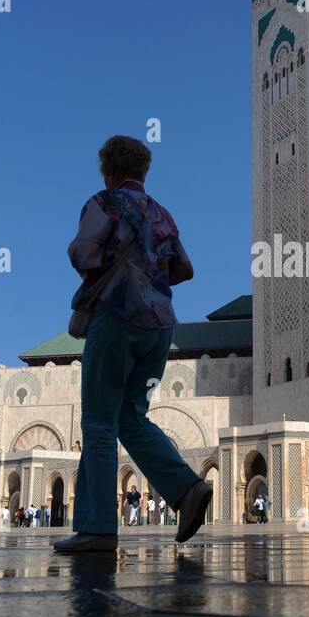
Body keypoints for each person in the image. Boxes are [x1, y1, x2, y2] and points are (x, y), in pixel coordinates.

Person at [54, 135, 212, 554]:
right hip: (159, 327)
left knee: (100, 422)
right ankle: (187, 489)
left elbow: (83, 253)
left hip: (117, 319)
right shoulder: (163, 214)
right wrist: (150, 276)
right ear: (143, 171)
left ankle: (98, 528)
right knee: (132, 418)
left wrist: (113, 269)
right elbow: (185, 268)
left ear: (109, 169)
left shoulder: (104, 203)